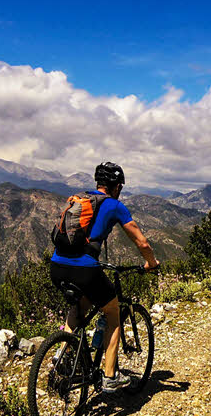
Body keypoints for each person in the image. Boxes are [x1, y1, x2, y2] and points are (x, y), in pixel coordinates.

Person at [50, 162, 159, 393]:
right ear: (117, 186)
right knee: (113, 315)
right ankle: (110, 377)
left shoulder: (81, 198)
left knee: (80, 306)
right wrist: (151, 263)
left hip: (57, 266)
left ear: (98, 183)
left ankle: (64, 354)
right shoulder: (114, 205)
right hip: (85, 269)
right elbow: (142, 241)